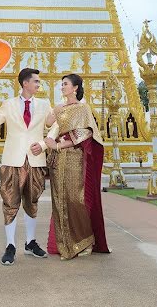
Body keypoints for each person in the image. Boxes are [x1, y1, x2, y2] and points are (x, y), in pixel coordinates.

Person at [0, 67, 55, 265]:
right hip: (13, 160)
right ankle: (10, 245)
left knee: (32, 201)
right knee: (10, 202)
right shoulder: (8, 104)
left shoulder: (44, 105)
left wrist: (43, 144)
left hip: (35, 159)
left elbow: (55, 124)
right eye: (35, 81)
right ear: (25, 83)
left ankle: (30, 242)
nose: (38, 84)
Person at [44, 74, 110, 260]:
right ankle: (65, 243)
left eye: (65, 84)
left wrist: (57, 145)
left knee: (76, 198)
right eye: (61, 84)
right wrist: (54, 110)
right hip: (58, 160)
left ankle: (85, 241)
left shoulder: (82, 108)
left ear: (75, 88)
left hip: (74, 157)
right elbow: (48, 124)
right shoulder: (60, 107)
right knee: (60, 199)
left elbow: (84, 133)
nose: (62, 87)